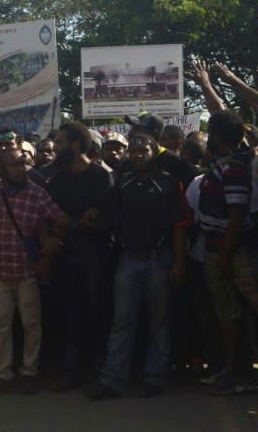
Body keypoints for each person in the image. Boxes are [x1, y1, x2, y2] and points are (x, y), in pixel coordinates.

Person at [87, 135, 190, 400]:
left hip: (160, 260)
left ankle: (155, 378)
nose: (136, 155)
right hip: (128, 261)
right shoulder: (122, 183)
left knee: (159, 322)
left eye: (143, 150)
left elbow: (180, 226)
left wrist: (179, 262)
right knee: (122, 321)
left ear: (154, 153)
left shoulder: (169, 183)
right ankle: (112, 380)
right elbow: (107, 219)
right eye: (132, 151)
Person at [0, 149, 67, 394]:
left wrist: (51, 247)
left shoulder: (37, 194)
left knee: (31, 324)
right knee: (1, 324)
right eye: (13, 165)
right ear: (0, 169)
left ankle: (29, 372)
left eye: (23, 163)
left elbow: (61, 220)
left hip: (27, 271)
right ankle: (3, 373)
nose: (21, 169)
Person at [46, 122, 114, 392]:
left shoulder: (101, 176)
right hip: (66, 257)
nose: (55, 147)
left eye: (61, 142)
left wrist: (88, 221)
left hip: (96, 259)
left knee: (97, 312)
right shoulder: (59, 179)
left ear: (75, 145)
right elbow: (53, 218)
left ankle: (99, 371)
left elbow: (108, 219)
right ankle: (71, 370)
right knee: (70, 313)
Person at [197, 110, 258, 395]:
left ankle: (237, 373)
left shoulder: (232, 169)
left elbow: (236, 215)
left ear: (217, 137)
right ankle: (235, 372)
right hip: (217, 250)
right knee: (228, 314)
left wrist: (224, 254)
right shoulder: (222, 165)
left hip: (230, 253)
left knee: (237, 312)